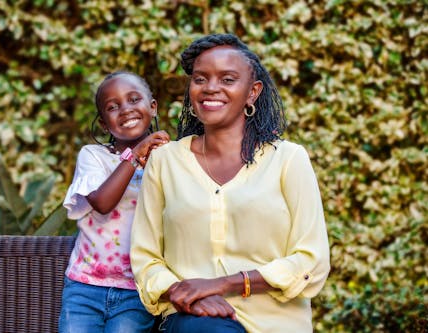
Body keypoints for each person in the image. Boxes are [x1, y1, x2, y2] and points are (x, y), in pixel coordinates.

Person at [130, 34, 330, 333]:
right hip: (194, 322)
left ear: (252, 92)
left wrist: (222, 285)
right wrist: (185, 295)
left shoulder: (289, 159)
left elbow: (311, 261)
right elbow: (146, 258)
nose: (211, 88)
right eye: (200, 78)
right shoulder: (165, 162)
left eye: (227, 79)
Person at [58, 71, 170, 333]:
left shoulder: (167, 159)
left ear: (152, 107)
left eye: (133, 100)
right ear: (105, 124)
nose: (125, 110)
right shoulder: (94, 156)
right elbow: (102, 202)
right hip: (85, 286)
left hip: (138, 290)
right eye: (113, 106)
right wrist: (135, 154)